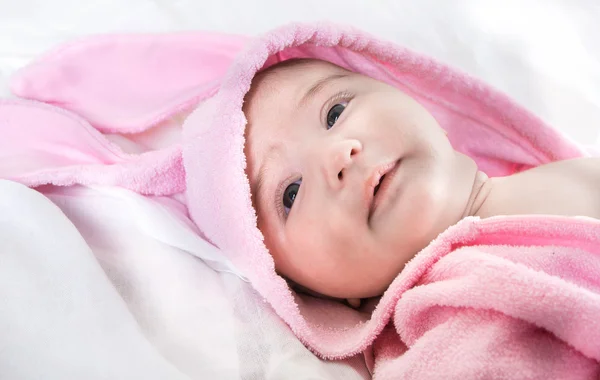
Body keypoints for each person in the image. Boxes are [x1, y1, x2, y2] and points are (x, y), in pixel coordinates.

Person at [243, 58, 600, 307]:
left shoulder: (575, 169)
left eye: (335, 113)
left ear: (420, 101)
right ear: (308, 291)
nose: (337, 155)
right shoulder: (440, 326)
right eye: (292, 192)